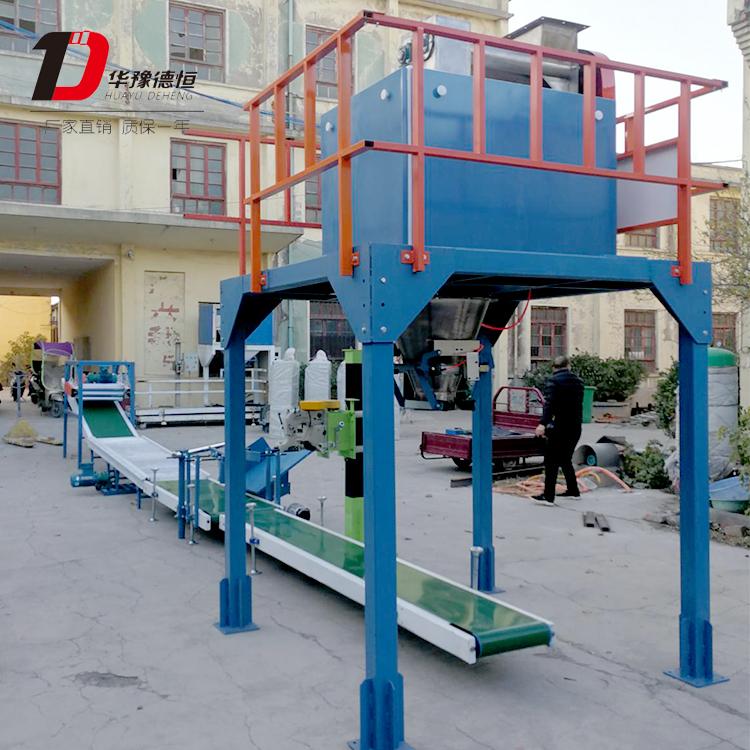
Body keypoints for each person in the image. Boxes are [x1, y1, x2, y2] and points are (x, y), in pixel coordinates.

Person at [533, 355, 583, 504]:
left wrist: (542, 424)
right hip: (575, 427)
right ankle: (573, 490)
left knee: (551, 461)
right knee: (566, 459)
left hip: (560, 427)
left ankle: (548, 496)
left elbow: (550, 404)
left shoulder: (554, 381)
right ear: (569, 366)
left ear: (553, 367)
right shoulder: (578, 382)